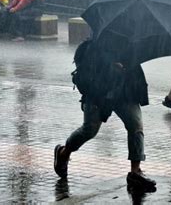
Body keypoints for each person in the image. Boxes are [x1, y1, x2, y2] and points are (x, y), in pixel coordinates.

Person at [53, 39, 156, 192]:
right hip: (99, 92)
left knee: (135, 125)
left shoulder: (134, 35)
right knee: (89, 130)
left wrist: (127, 66)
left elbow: (134, 60)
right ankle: (63, 152)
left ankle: (135, 172)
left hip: (125, 91)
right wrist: (111, 67)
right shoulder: (97, 42)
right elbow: (90, 67)